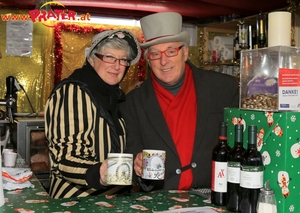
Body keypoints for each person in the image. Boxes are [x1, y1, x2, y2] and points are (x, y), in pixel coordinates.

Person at [120, 12, 239, 191]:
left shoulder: (224, 88)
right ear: (148, 61)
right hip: (161, 200)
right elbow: (133, 150)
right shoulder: (132, 103)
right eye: (154, 54)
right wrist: (137, 164)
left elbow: (240, 143)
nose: (163, 61)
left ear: (184, 52)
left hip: (216, 196)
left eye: (170, 51)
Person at [45, 29, 141, 198]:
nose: (117, 66)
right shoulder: (73, 92)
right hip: (78, 202)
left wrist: (136, 165)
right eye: (109, 57)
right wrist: (101, 172)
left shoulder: (113, 95)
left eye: (123, 60)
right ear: (91, 59)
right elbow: (67, 156)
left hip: (111, 201)